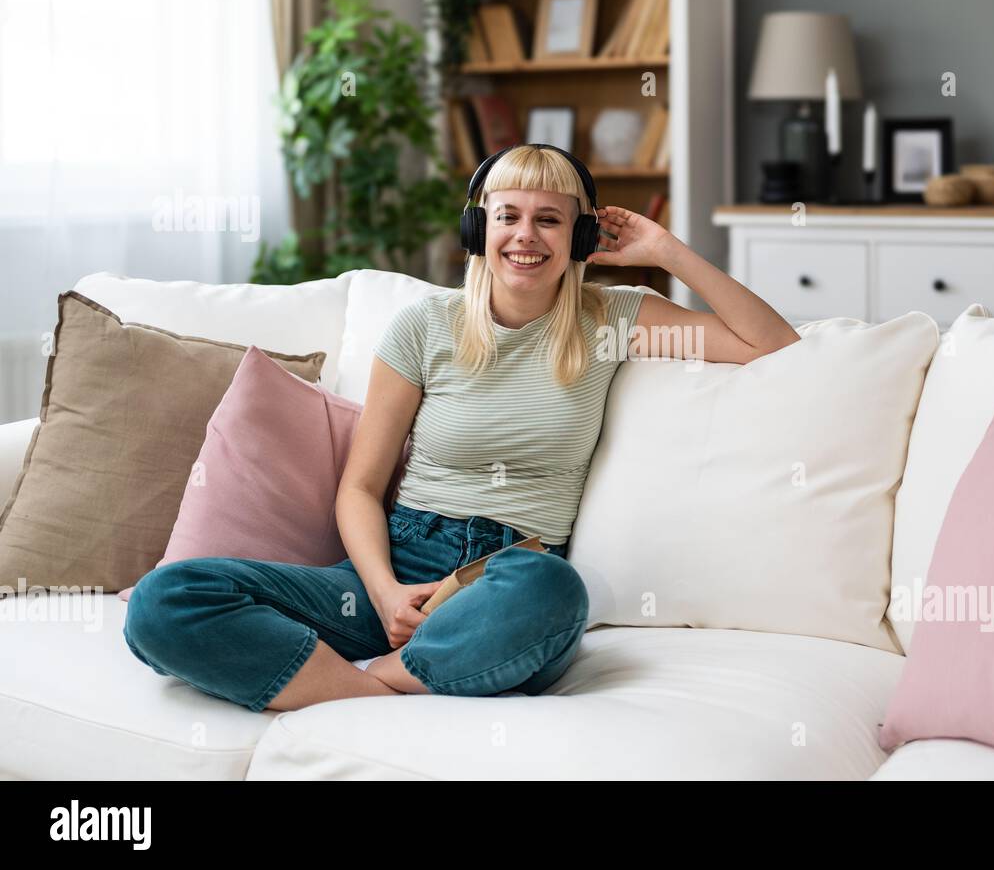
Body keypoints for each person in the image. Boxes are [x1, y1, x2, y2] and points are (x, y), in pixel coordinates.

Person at [123, 143, 800, 712]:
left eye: (550, 221)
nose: (526, 236)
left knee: (553, 590)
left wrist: (667, 250)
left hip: (502, 584)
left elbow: (769, 343)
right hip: (398, 567)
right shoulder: (424, 326)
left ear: (581, 238)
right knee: (165, 599)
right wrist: (386, 593)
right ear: (480, 228)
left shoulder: (610, 320)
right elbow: (359, 488)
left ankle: (358, 684)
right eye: (507, 215)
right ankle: (393, 685)